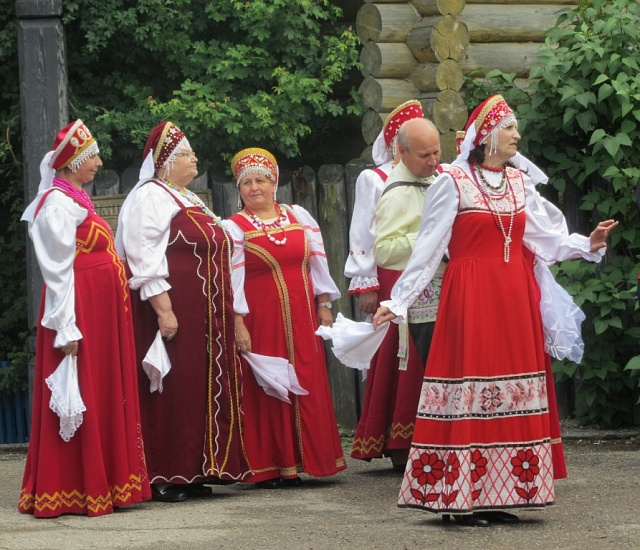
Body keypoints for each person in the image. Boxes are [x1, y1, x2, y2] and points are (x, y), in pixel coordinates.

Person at [373, 94, 618, 526]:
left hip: (515, 298)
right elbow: (428, 251)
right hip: (469, 296)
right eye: (510, 128)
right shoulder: (452, 181)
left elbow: (544, 241)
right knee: (471, 390)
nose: (517, 136)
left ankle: (497, 493)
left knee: (510, 392)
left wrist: (587, 243)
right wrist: (398, 301)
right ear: (486, 135)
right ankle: (456, 499)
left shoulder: (520, 184)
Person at [18, 120, 151, 518]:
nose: (98, 162)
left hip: (99, 311)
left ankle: (105, 480)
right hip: (78, 312)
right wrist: (66, 326)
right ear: (73, 162)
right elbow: (57, 271)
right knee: (81, 389)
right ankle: (74, 486)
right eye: (92, 156)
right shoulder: (55, 206)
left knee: (102, 388)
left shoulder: (74, 200)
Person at [115, 121, 251, 503]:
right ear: (167, 161)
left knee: (196, 387)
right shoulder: (150, 197)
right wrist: (164, 310)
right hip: (175, 312)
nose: (195, 160)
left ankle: (195, 469)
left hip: (204, 315)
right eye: (187, 154)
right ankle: (164, 472)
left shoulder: (187, 197)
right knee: (173, 389)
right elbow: (143, 257)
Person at [224, 147, 346, 488]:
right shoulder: (233, 228)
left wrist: (325, 305)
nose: (254, 188)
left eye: (260, 180)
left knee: (306, 378)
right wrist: (238, 324)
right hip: (262, 321)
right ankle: (273, 466)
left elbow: (317, 265)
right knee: (269, 385)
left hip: (304, 316)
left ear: (273, 183)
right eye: (246, 182)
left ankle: (312, 459)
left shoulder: (298, 217)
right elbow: (231, 282)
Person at [351, 112, 444, 470]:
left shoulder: (440, 177)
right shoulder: (376, 179)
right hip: (396, 277)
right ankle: (398, 439)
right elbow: (365, 235)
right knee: (400, 355)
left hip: (436, 278)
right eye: (423, 152)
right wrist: (366, 283)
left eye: (434, 151)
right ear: (399, 147)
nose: (432, 160)